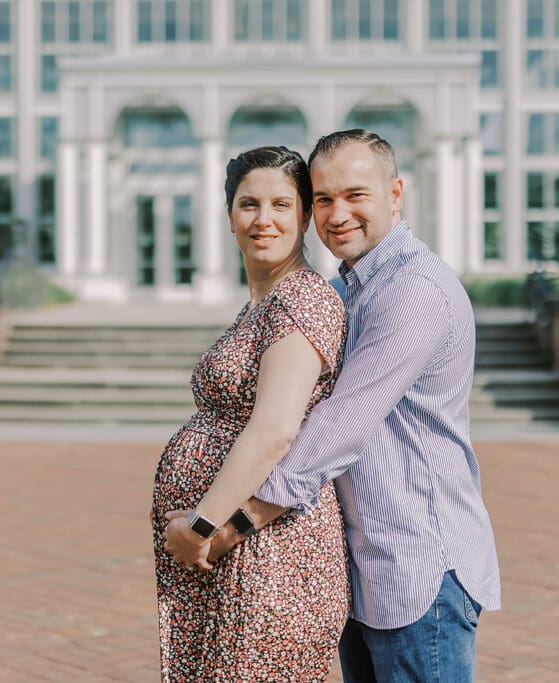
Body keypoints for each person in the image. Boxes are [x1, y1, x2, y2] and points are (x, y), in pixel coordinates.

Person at [165, 129, 502, 682]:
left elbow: (341, 425)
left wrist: (229, 524)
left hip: (418, 566)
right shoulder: (350, 289)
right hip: (363, 564)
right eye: (323, 199)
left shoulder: (414, 288)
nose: (337, 213)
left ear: (396, 193)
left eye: (355, 195)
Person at [150, 145, 350, 682]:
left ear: (306, 216)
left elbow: (275, 432)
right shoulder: (265, 301)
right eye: (249, 204)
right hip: (237, 560)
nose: (264, 220)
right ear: (229, 216)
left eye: (282, 205)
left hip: (271, 560)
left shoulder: (301, 301)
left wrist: (200, 524)